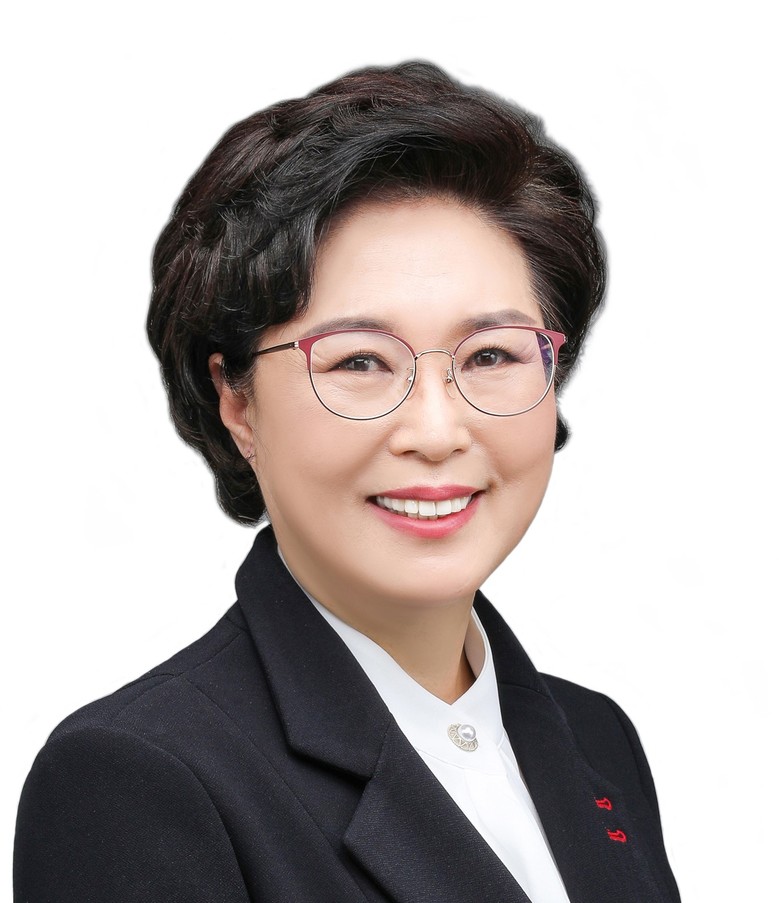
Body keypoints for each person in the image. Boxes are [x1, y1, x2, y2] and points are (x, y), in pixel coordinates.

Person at [14, 62, 681, 902]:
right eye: (359, 361)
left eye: (490, 354)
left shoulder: (595, 739)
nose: (436, 431)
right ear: (236, 401)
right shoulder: (137, 780)